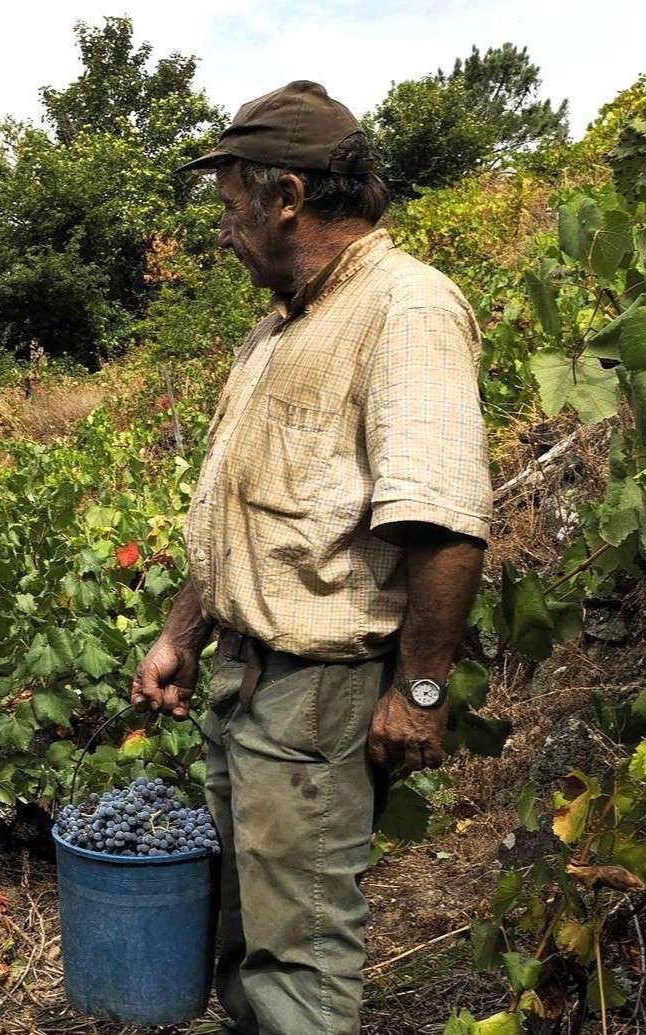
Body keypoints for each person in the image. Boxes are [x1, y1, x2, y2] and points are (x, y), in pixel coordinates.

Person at [132, 81, 491, 1035]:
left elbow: (445, 520)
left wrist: (417, 689)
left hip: (315, 692)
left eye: (229, 206)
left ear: (285, 195)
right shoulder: (283, 325)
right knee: (246, 935)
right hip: (243, 676)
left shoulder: (403, 307)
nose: (222, 230)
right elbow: (248, 514)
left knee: (301, 957)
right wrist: (180, 632)